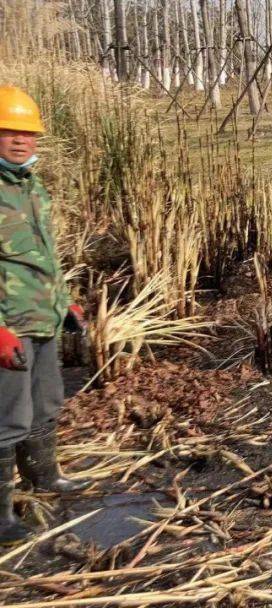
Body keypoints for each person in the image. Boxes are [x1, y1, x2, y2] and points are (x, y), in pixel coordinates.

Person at [0, 85, 90, 546]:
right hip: (7, 327)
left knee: (45, 405)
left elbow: (45, 256)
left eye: (28, 133)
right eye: (9, 132)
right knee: (5, 420)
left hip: (42, 317)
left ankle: (45, 479)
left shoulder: (32, 187)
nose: (20, 141)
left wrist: (66, 301)